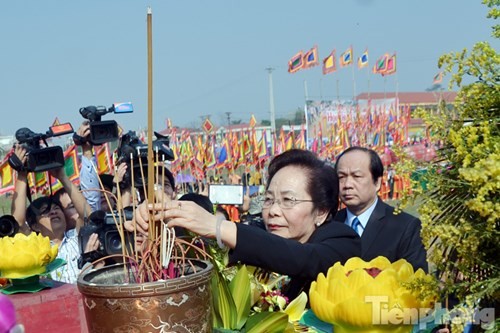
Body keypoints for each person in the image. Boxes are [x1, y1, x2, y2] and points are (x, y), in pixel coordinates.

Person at [134, 149, 361, 299]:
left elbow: (304, 259)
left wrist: (217, 226)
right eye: (269, 199)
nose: (272, 211)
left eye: (288, 200)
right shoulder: (257, 233)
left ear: (321, 211)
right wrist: (160, 226)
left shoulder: (342, 241)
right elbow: (206, 254)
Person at [333, 146, 428, 272]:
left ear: (377, 182)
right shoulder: (330, 224)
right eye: (341, 177)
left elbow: (415, 282)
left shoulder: (405, 227)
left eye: (357, 176)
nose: (347, 185)